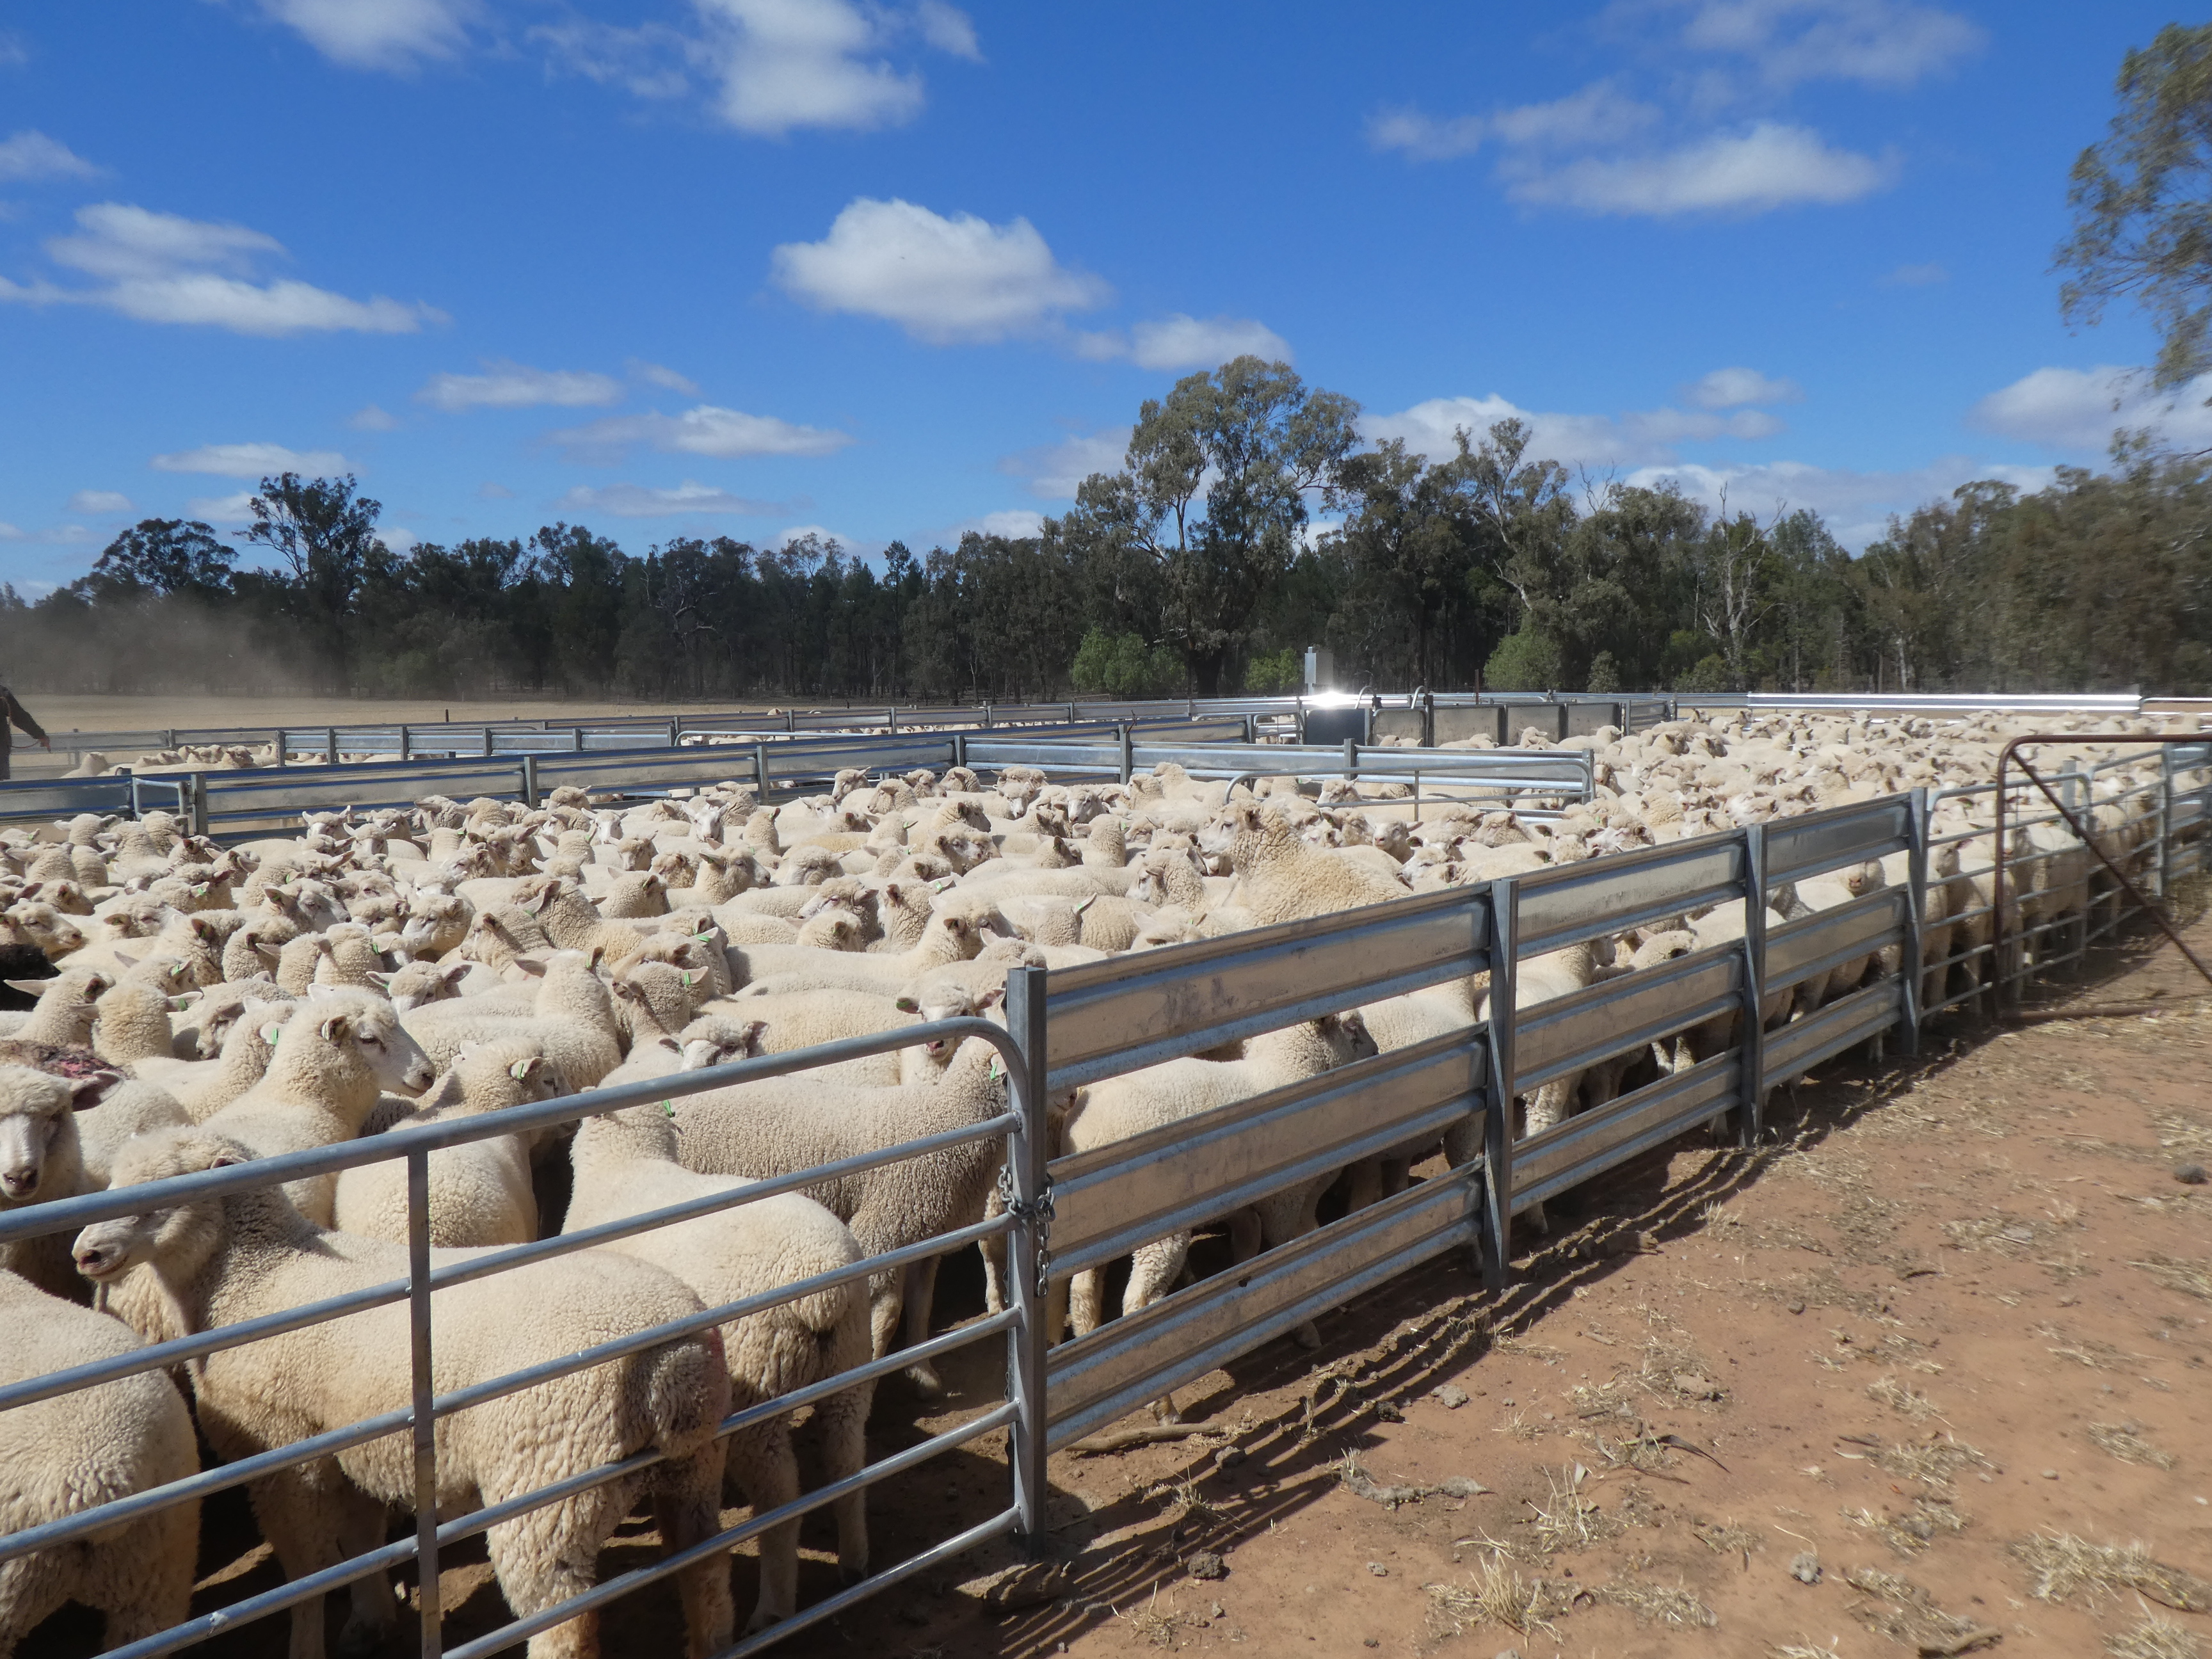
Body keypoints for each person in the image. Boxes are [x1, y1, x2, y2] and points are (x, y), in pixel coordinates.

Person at [0, 683, 51, 781]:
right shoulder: (2, 693)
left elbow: (19, 716)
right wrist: (40, 735)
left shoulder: (2, 693)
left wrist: (39, 734)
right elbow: (19, 717)